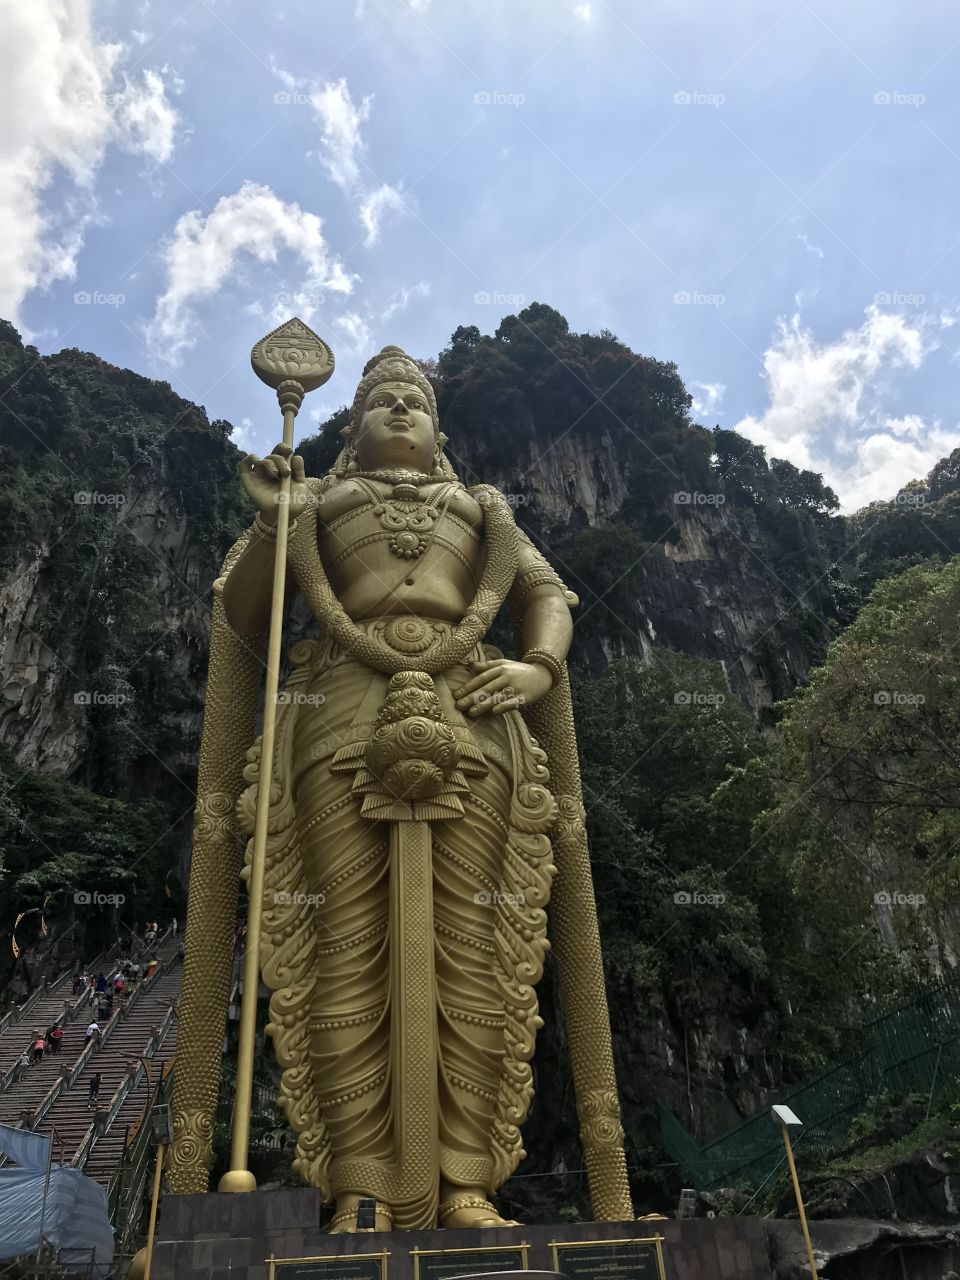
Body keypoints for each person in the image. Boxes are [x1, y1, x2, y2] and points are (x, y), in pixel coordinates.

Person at [172, 347, 623, 1230]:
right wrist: (273, 523)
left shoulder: (480, 510)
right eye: (382, 401)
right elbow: (244, 612)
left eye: (415, 399)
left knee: (476, 945)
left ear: (441, 430)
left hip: (474, 709)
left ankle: (464, 1184)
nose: (401, 410)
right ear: (353, 428)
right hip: (340, 707)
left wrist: (538, 669)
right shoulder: (317, 502)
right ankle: (363, 1187)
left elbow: (547, 595)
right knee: (343, 942)